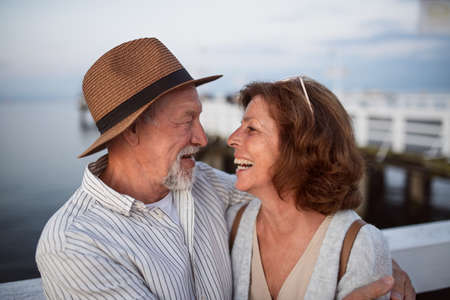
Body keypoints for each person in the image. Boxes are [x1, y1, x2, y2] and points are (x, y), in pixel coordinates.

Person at [35, 37, 414, 299]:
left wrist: (361, 257)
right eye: (186, 120)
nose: (203, 138)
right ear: (132, 130)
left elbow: (294, 203)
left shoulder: (205, 186)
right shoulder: (74, 243)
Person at [227, 77, 414, 299]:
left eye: (252, 128)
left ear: (300, 144)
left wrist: (373, 257)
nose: (231, 139)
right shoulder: (235, 222)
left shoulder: (358, 246)